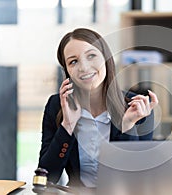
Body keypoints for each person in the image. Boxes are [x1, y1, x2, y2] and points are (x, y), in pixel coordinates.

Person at [37, 28, 158, 189]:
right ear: (67, 71)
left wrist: (127, 127)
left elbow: (136, 180)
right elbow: (46, 174)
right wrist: (67, 126)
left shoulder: (137, 108)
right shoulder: (57, 105)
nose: (84, 67)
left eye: (91, 56)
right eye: (73, 61)